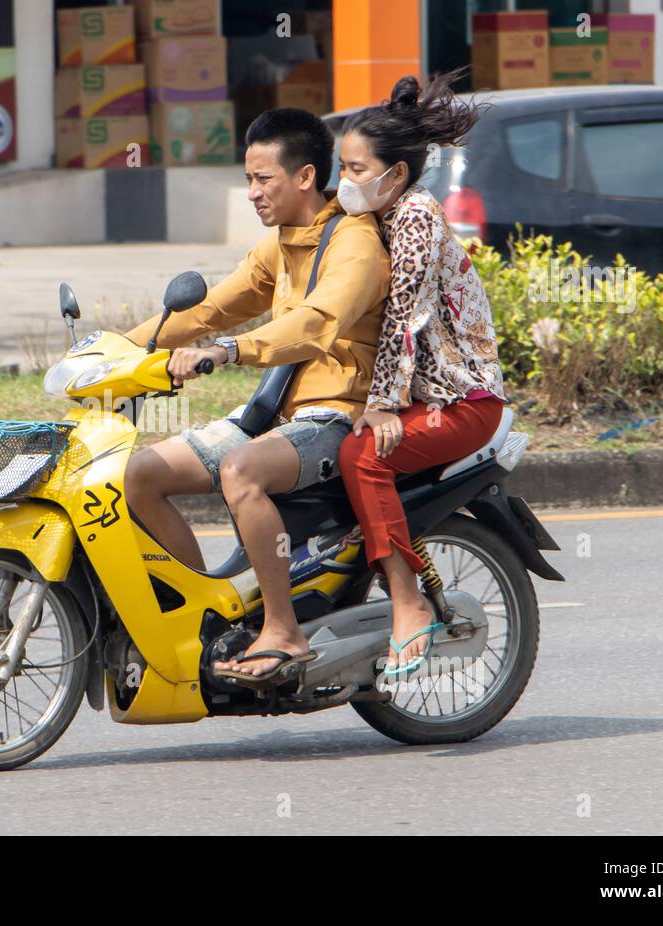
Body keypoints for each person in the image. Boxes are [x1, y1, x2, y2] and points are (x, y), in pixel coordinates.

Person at [123, 108, 390, 684]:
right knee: (141, 473)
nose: (250, 193)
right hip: (274, 414)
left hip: (334, 415)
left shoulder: (355, 243)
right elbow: (210, 308)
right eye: (248, 179)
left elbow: (317, 322)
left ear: (304, 177)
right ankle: (206, 619)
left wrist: (228, 351)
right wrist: (119, 348)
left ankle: (283, 630)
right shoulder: (281, 245)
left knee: (240, 472)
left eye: (262, 179)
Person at [333, 71, 507, 677]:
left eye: (355, 169)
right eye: (340, 167)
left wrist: (380, 404)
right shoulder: (381, 214)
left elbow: (403, 317)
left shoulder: (414, 218)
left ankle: (407, 604)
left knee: (363, 454)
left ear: (396, 172)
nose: (343, 182)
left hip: (464, 402)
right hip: (429, 395)